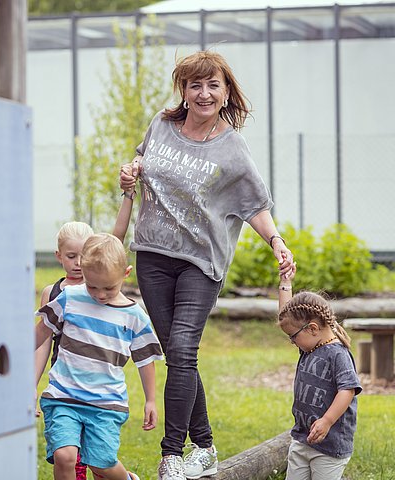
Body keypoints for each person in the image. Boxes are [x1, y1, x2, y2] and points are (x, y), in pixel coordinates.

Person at [119, 50, 295, 480]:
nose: (203, 93)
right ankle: (206, 446)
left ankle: (171, 456)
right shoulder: (162, 125)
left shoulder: (232, 146)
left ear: (226, 91)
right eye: (195, 85)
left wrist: (276, 241)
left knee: (183, 350)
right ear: (184, 90)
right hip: (153, 256)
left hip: (201, 262)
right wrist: (131, 172)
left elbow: (253, 204)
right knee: (178, 355)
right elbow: (142, 164)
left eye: (213, 85)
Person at [35, 233, 164, 480]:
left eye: (109, 288)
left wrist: (150, 400)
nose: (101, 295)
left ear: (126, 274)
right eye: (93, 287)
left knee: (101, 464)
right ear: (83, 271)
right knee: (65, 457)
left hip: (105, 404)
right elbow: (42, 330)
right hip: (64, 395)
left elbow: (145, 360)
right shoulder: (70, 298)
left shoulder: (134, 316)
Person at [278, 265, 362, 480]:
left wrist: (326, 421)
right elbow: (286, 317)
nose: (292, 341)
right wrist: (285, 282)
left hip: (330, 444)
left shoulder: (338, 354)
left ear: (313, 328)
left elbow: (348, 390)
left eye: (293, 337)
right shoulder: (309, 346)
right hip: (302, 438)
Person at [35, 221, 94, 480]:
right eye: (71, 256)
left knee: (99, 457)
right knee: (68, 453)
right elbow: (43, 343)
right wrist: (31, 384)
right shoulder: (52, 292)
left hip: (96, 385)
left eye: (85, 256)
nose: (79, 263)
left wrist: (127, 196)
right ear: (59, 256)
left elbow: (117, 239)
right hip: (63, 385)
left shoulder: (98, 289)